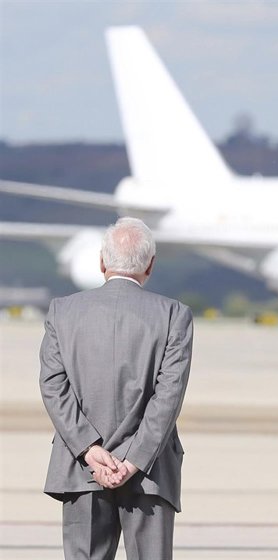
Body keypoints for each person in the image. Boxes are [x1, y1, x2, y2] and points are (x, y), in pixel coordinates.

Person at [39, 216, 193, 560]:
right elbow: (168, 396)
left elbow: (53, 386)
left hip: (80, 468)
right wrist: (133, 461)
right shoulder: (174, 314)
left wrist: (89, 449)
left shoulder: (62, 311)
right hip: (150, 472)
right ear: (150, 265)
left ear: (102, 261)